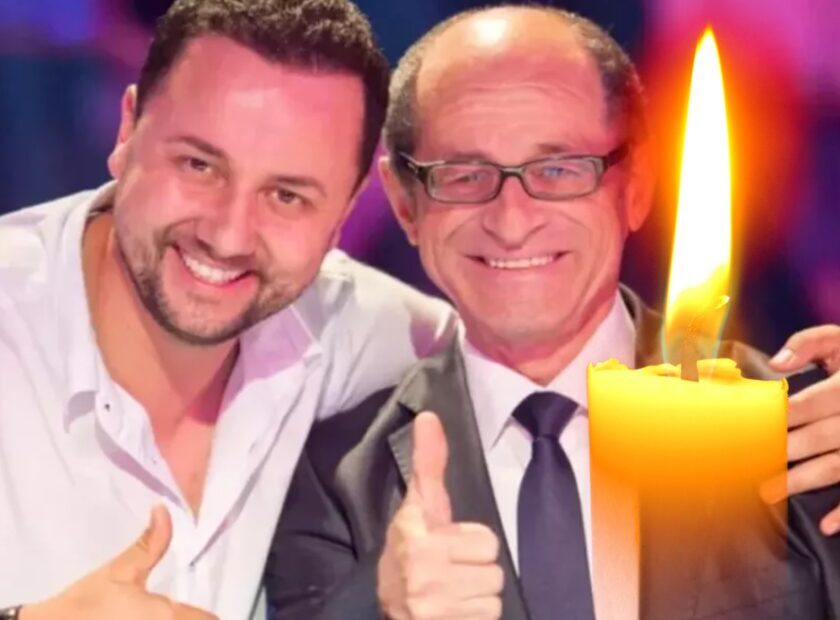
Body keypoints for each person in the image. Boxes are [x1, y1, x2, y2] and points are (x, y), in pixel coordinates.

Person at [265, 6, 840, 620]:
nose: (512, 221)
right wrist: (379, 609)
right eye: (464, 175)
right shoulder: (333, 478)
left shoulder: (806, 425)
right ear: (406, 204)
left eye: (559, 169)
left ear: (637, 185)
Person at [0, 1, 457, 619]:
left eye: (287, 196)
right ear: (127, 131)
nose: (228, 235)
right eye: (199, 165)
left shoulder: (374, 332)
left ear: (345, 213)